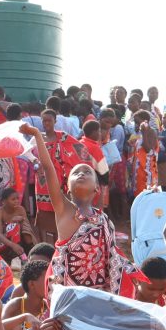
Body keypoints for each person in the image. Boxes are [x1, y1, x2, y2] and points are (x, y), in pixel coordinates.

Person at [22, 123, 126, 293]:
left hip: (98, 293)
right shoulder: (64, 209)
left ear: (96, 189)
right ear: (67, 188)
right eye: (76, 173)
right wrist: (37, 135)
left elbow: (112, 260)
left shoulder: (103, 220)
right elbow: (48, 168)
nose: (81, 174)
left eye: (87, 172)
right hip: (67, 293)